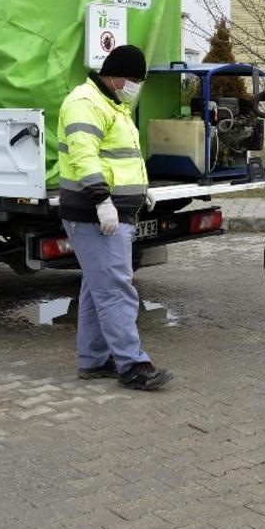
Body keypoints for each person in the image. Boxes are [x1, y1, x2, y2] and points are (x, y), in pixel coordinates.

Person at [57, 44, 172, 391]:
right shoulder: (84, 102)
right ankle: (132, 364)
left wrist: (140, 189)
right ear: (116, 75)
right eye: (134, 80)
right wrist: (102, 200)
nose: (136, 87)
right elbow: (84, 156)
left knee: (98, 288)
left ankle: (94, 360)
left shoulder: (112, 104)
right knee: (116, 290)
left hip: (110, 211)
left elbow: (122, 158)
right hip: (94, 214)